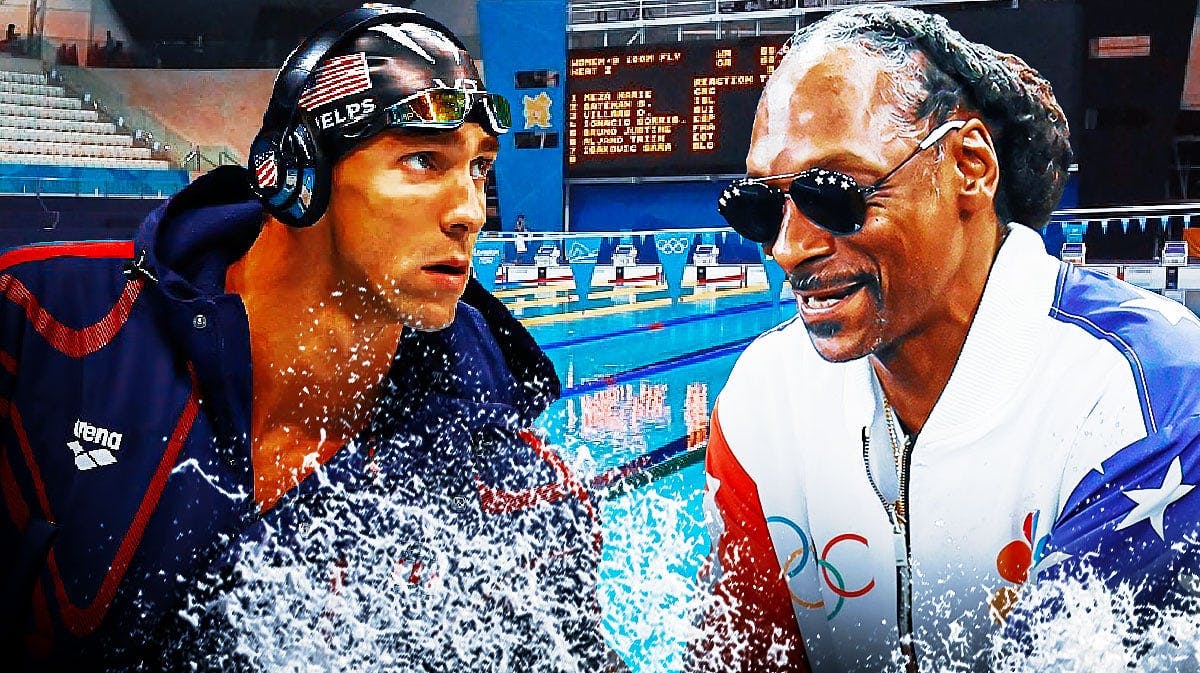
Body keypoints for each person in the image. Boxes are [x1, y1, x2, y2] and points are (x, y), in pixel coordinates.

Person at [0, 5, 620, 671]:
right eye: (422, 159)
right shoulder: (51, 331)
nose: (470, 211)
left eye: (477, 168)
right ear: (296, 175)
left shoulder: (498, 475)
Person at [691, 5, 1200, 672]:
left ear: (968, 166)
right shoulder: (765, 404)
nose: (789, 248)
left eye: (833, 192)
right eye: (763, 206)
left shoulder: (1142, 397)